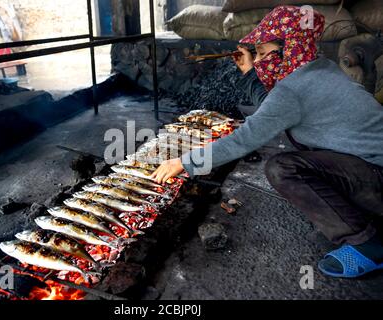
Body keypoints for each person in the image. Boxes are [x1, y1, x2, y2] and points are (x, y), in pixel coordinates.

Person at [151, 5, 383, 278]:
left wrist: (185, 162)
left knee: (283, 168)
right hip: (368, 167)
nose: (259, 60)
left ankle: (366, 244)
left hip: (375, 176)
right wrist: (250, 72)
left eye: (262, 53)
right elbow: (273, 109)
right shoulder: (319, 69)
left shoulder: (293, 89)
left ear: (287, 49)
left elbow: (245, 139)